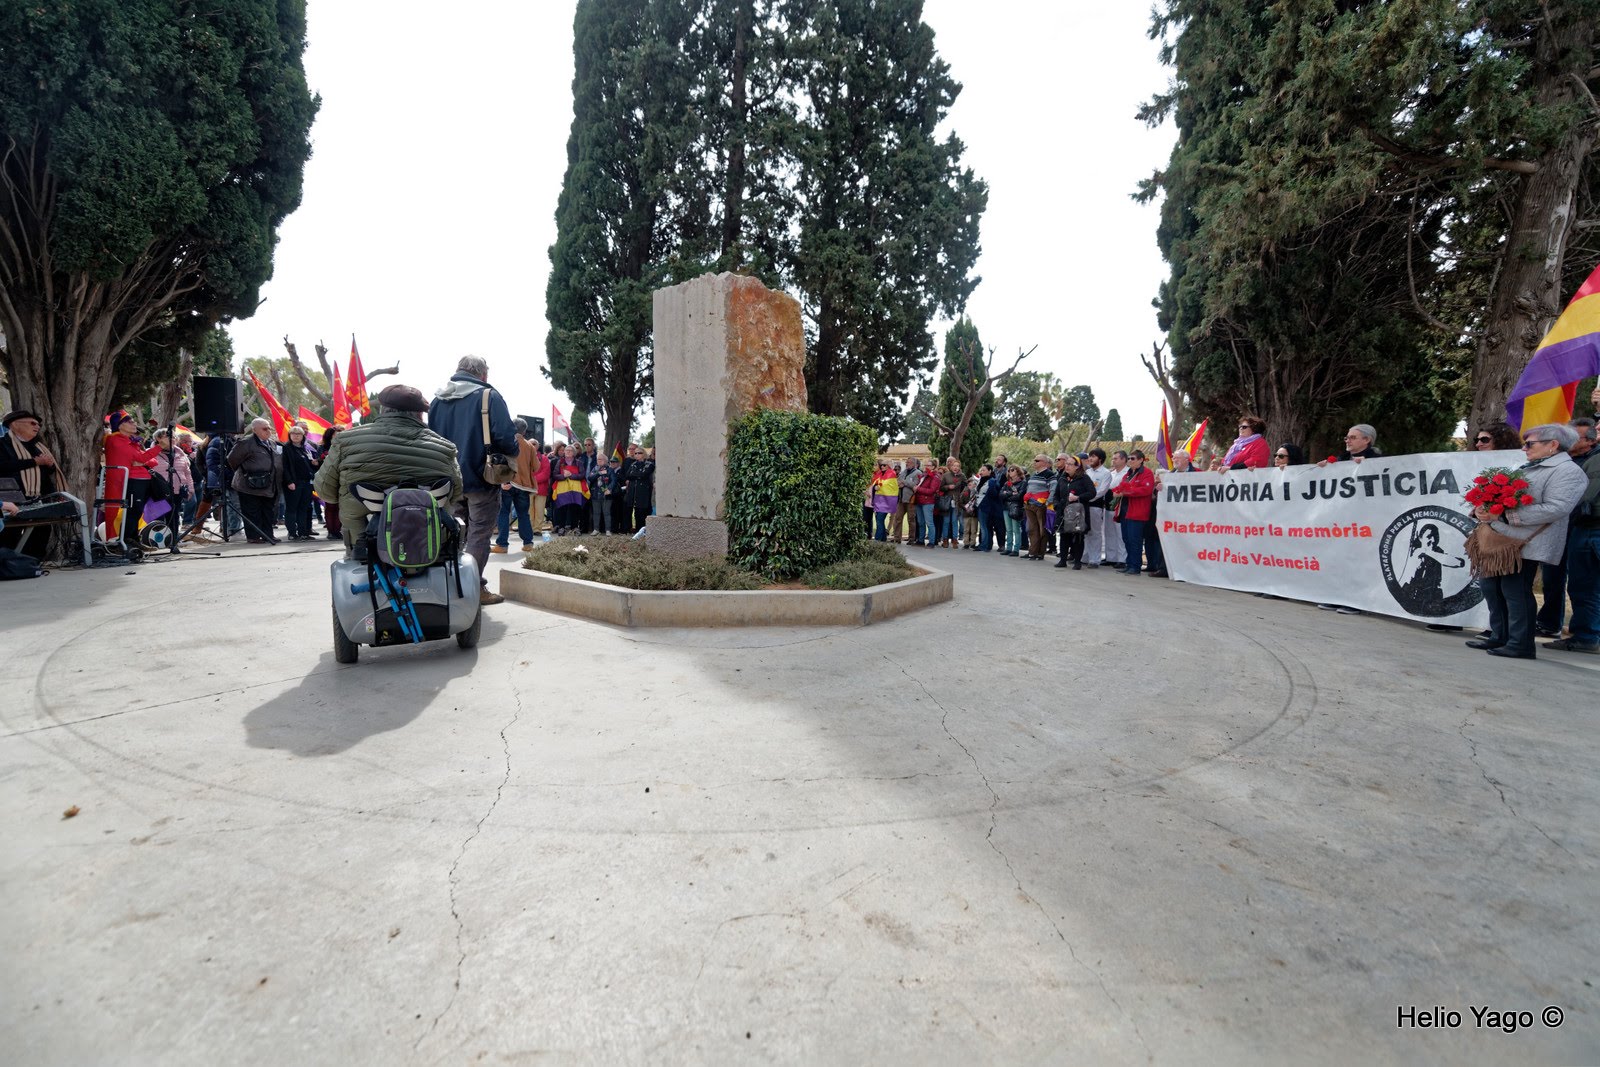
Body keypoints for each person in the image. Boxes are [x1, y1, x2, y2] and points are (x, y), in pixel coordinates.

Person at [1464, 424, 1588, 659]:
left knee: (1515, 590)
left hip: (1527, 541)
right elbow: (1498, 493)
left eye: (1530, 444)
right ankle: (1500, 636)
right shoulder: (1527, 466)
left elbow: (1557, 508)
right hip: (1503, 538)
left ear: (1553, 444)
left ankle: (1520, 643)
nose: (1524, 448)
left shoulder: (1568, 471)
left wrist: (1504, 515)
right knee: (1492, 587)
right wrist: (1481, 508)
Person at [428, 355, 518, 582]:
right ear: (483, 374)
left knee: (454, 532)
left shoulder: (438, 400)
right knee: (479, 533)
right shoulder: (489, 396)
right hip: (480, 478)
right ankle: (472, 587)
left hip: (446, 480)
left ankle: (452, 583)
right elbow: (507, 439)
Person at [1535, 417, 1600, 640]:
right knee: (1563, 581)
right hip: (1568, 527)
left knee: (1587, 584)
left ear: (1591, 441)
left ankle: (1589, 633)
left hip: (1587, 527)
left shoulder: (1592, 460)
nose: (1569, 440)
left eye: (1576, 436)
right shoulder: (1559, 461)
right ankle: (1560, 627)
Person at [103, 410, 163, 544]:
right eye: (129, 421)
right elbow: (141, 457)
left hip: (135, 482)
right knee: (130, 513)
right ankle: (125, 542)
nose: (134, 423)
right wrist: (160, 447)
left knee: (136, 512)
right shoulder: (115, 440)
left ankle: (133, 540)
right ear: (120, 425)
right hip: (124, 483)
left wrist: (141, 461)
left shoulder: (128, 441)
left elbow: (150, 461)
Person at [227, 419, 283, 544]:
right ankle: (254, 536)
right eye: (264, 428)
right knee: (252, 511)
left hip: (269, 485)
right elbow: (232, 460)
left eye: (269, 428)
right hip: (249, 485)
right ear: (254, 430)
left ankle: (268, 534)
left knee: (268, 511)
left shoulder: (272, 443)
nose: (268, 431)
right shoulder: (246, 443)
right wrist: (248, 472)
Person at [493, 419, 537, 554]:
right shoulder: (530, 446)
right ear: (524, 431)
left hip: (508, 482)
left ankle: (502, 545)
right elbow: (536, 466)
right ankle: (528, 543)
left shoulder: (507, 441)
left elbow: (498, 461)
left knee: (504, 513)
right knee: (524, 514)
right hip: (524, 486)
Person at [1111, 449, 1157, 575]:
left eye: (1133, 459)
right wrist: (1116, 491)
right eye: (1129, 458)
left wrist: (1126, 492)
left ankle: (1135, 566)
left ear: (1141, 460)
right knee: (1126, 538)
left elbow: (1145, 490)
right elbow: (1121, 486)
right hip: (1125, 510)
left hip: (1137, 511)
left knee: (1134, 539)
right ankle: (1130, 563)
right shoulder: (1128, 474)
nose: (1130, 461)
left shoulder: (1146, 473)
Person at [0, 410, 58, 502]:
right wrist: (34, 462)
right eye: (33, 423)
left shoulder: (38, 445)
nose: (37, 426)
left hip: (45, 497)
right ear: (15, 425)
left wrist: (50, 465)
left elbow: (49, 471)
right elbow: (3, 466)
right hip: (15, 499)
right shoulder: (2, 444)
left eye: (39, 425)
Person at [1051, 454, 1095, 569]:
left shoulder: (1084, 478)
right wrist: (1056, 505)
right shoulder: (1062, 478)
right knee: (1064, 536)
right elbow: (1056, 495)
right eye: (1067, 464)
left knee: (1078, 537)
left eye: (1070, 464)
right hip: (1063, 512)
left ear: (1077, 466)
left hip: (1078, 512)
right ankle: (1063, 560)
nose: (1067, 466)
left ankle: (1077, 562)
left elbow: (1092, 493)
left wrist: (1078, 497)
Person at [280, 424, 316, 541]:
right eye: (293, 434)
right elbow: (284, 467)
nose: (296, 436)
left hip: (306, 483)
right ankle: (292, 533)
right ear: (289, 435)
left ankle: (303, 532)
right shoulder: (286, 448)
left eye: (298, 434)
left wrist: (314, 463)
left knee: (303, 508)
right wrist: (289, 481)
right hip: (293, 483)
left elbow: (308, 464)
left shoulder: (306, 448)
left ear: (303, 436)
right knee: (291, 509)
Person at [1083, 448, 1112, 568]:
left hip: (1096, 506)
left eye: (1093, 456)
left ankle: (1095, 559)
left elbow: (1101, 491)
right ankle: (1084, 557)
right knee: (1084, 531)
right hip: (1084, 505)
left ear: (1100, 459)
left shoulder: (1105, 473)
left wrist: (1089, 498)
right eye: (1089, 456)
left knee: (1095, 532)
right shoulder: (1087, 473)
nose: (1090, 459)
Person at [551, 445, 589, 534]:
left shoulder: (579, 462)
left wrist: (571, 475)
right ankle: (561, 527)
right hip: (562, 488)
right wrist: (563, 476)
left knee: (575, 508)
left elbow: (582, 475)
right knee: (562, 507)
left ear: (574, 453)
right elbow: (555, 475)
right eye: (566, 450)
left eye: (570, 450)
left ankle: (575, 527)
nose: (568, 452)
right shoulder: (560, 462)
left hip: (575, 489)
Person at [1022, 454, 1053, 560]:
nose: (1034, 462)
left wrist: (1048, 502)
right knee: (1032, 529)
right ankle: (1032, 552)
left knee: (1042, 530)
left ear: (1044, 462)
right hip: (1029, 505)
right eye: (1034, 460)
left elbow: (1053, 488)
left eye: (1037, 460)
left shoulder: (1049, 474)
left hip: (1041, 506)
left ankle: (1040, 552)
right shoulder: (1033, 475)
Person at [1103, 450, 1130, 568]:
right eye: (1113, 458)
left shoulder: (1128, 473)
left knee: (1120, 533)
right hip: (1108, 504)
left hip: (1120, 505)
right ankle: (1111, 557)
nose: (1113, 460)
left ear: (1124, 459)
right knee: (1109, 532)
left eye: (1116, 458)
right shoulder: (1111, 473)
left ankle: (1122, 559)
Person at [318, 426, 344, 540]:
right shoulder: (323, 447)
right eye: (336, 434)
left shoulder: (345, 446)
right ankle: (331, 531)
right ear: (330, 435)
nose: (339, 436)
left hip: (342, 479)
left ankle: (338, 531)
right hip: (328, 479)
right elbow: (318, 461)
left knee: (340, 507)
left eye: (341, 433)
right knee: (330, 506)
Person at [870, 459, 899, 542]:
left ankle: (878, 539)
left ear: (889, 466)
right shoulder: (881, 474)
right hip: (880, 500)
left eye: (884, 465)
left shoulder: (891, 473)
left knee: (879, 520)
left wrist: (878, 487)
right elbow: (876, 483)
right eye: (881, 465)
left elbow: (885, 485)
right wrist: (875, 486)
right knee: (880, 520)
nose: (882, 466)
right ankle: (883, 539)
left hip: (887, 501)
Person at [894, 458, 922, 545]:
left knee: (911, 520)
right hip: (901, 499)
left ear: (914, 464)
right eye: (906, 462)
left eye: (909, 462)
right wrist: (904, 482)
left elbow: (916, 485)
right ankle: (897, 538)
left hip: (911, 500)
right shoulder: (903, 472)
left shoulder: (918, 473)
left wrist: (905, 482)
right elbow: (898, 481)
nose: (907, 464)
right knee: (898, 518)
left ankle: (911, 538)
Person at [999, 464, 1025, 556]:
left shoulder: (1023, 483)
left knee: (1016, 529)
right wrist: (1011, 493)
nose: (1009, 471)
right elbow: (1001, 494)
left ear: (1018, 471)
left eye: (1012, 470)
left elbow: (1019, 496)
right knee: (1008, 529)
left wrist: (1007, 494)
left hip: (1016, 508)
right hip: (1006, 508)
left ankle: (1016, 549)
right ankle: (1008, 548)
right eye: (1009, 470)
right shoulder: (1007, 483)